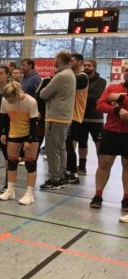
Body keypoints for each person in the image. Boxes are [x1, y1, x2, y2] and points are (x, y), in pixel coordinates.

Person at [89, 64, 128, 220]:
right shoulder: (112, 87)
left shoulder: (116, 93)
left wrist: (120, 98)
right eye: (127, 70)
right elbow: (100, 105)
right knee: (104, 164)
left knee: (127, 165)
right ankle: (98, 195)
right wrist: (117, 109)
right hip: (111, 131)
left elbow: (112, 101)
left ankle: (126, 198)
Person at [39, 51, 76, 190]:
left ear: (59, 59)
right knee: (60, 147)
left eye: (55, 58)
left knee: (52, 149)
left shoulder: (61, 75)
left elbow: (43, 94)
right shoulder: (69, 74)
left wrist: (46, 87)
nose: (54, 60)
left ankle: (55, 179)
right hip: (63, 116)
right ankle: (60, 175)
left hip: (56, 117)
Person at [0, 82, 40, 205]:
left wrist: (29, 140)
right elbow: (4, 118)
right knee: (11, 163)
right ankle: (10, 191)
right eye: (7, 99)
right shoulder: (5, 100)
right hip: (14, 133)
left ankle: (29, 194)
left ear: (17, 94)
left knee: (30, 164)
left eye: (11, 99)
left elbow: (34, 124)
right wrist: (4, 133)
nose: (9, 102)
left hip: (30, 133)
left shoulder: (30, 101)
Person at [78, 59, 107, 175]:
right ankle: (82, 167)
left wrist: (81, 95)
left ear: (94, 67)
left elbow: (96, 97)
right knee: (82, 143)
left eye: (89, 65)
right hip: (81, 117)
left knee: (99, 143)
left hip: (96, 118)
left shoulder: (102, 81)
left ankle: (102, 167)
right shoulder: (80, 79)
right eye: (84, 65)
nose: (86, 67)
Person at [64, 54, 89, 184]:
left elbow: (64, 87)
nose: (70, 63)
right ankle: (68, 171)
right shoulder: (73, 76)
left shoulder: (81, 77)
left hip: (74, 115)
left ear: (80, 62)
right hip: (68, 115)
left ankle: (73, 173)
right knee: (66, 144)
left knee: (69, 145)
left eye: (72, 61)